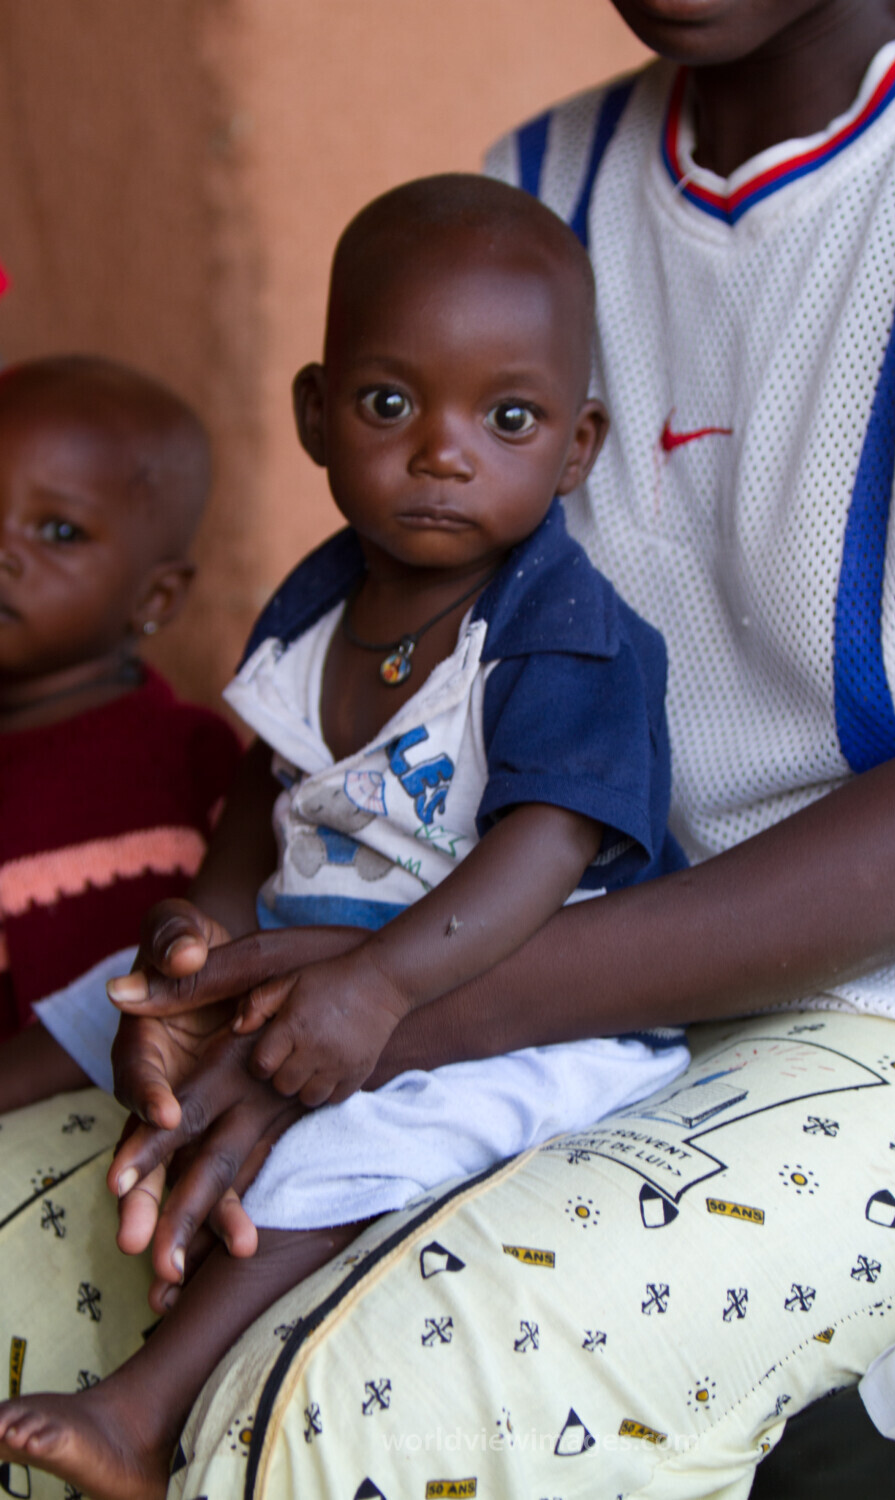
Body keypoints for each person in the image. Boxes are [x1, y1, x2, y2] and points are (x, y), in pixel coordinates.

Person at [3, 0, 895, 1495]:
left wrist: (389, 1003)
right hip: (502, 950)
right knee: (25, 1263)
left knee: (333, 1412)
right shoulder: (543, 183)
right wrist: (280, 970)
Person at [0, 174, 695, 1500]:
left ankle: (143, 1413)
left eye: (507, 418)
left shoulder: (566, 632)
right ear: (318, 415)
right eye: (391, 405)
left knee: (329, 1148)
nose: (444, 451)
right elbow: (266, 805)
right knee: (101, 999)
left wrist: (375, 988)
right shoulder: (315, 610)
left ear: (578, 444)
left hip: (514, 995)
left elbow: (546, 853)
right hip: (330, 945)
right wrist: (194, 937)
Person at [0, 355, 241, 1105]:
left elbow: (206, 986)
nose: (6, 550)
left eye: (59, 530)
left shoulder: (190, 760)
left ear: (156, 595)